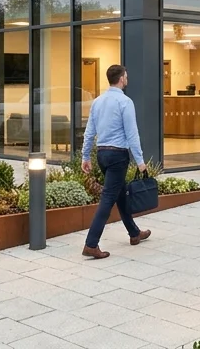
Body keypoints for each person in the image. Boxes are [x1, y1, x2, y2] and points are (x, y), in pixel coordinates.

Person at [80, 64, 150, 259]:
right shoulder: (125, 102)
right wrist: (140, 161)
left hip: (102, 155)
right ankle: (91, 244)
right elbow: (132, 134)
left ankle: (134, 233)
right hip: (118, 155)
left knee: (120, 194)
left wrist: (86, 156)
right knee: (108, 198)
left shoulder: (98, 102)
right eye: (126, 76)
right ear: (121, 79)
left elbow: (89, 132)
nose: (127, 79)